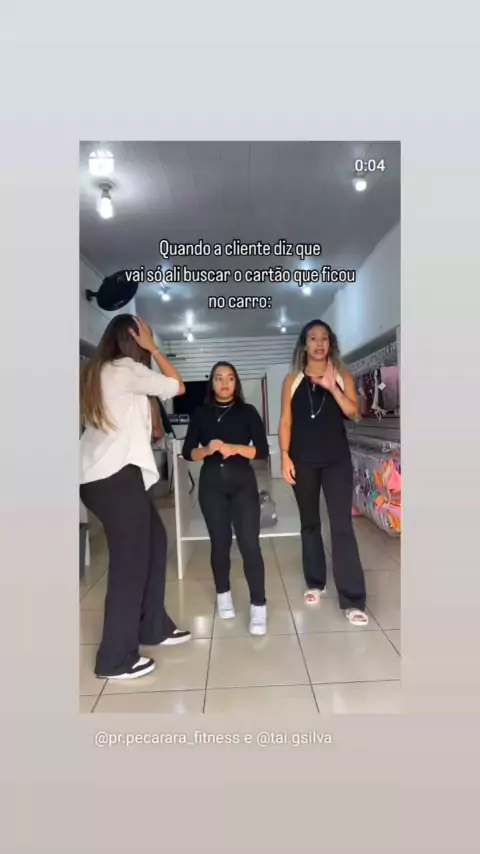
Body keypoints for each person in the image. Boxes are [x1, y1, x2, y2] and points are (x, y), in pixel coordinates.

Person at [80, 314, 191, 681]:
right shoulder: (125, 369)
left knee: (155, 541)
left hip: (101, 478)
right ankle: (114, 659)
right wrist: (154, 349)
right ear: (134, 337)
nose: (148, 341)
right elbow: (177, 386)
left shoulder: (97, 370)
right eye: (145, 335)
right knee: (129, 565)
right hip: (115, 478)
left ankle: (152, 625)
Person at [279, 319, 368, 625]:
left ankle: (353, 600)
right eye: (313, 338)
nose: (319, 343)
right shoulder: (292, 380)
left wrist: (332, 387)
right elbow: (286, 421)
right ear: (304, 345)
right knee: (309, 523)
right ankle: (315, 581)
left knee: (341, 525)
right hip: (303, 461)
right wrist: (284, 456)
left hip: (336, 461)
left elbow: (354, 413)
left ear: (331, 344)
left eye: (324, 338)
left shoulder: (342, 376)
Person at [182, 362, 270, 635]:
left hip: (243, 485)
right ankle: (223, 595)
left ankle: (258, 605)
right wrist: (207, 450)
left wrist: (236, 448)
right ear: (212, 383)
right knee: (220, 544)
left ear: (236, 382)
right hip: (212, 487)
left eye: (230, 378)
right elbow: (188, 452)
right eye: (219, 378)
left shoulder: (248, 412)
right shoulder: (201, 413)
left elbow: (262, 450)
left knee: (250, 544)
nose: (224, 383)